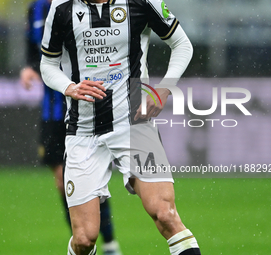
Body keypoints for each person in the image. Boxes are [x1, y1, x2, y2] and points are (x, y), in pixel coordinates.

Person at [40, 0, 202, 254]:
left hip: (135, 125)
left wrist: (164, 88)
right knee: (84, 238)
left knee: (165, 215)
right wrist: (69, 87)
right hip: (83, 131)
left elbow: (181, 44)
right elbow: (47, 64)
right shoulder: (61, 8)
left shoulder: (142, 2)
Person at [20, 1, 122, 254]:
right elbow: (35, 52)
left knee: (91, 179)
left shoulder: (84, 6)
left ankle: (109, 242)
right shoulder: (37, 8)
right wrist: (30, 69)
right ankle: (82, 242)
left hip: (87, 107)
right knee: (62, 179)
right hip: (53, 110)